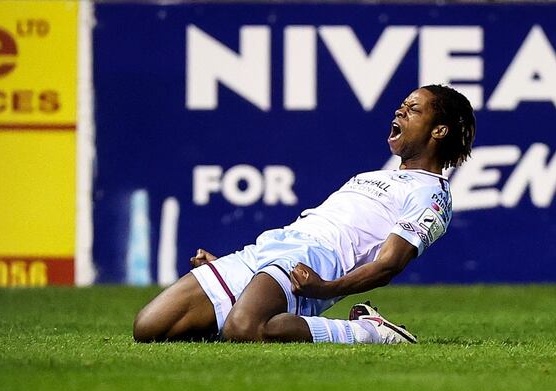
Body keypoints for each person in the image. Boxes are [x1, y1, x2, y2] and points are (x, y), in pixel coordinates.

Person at [133, 84, 475, 344]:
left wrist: (326, 288)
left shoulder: (431, 193)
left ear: (439, 130)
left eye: (412, 110)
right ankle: (247, 299)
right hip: (273, 246)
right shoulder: (373, 176)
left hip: (315, 260)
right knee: (149, 327)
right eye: (401, 106)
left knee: (245, 328)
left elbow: (389, 265)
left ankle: (367, 331)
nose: (399, 112)